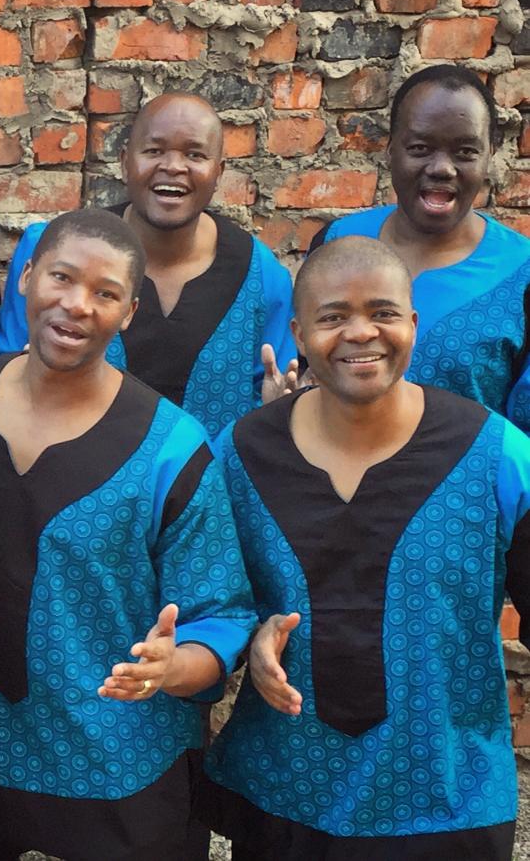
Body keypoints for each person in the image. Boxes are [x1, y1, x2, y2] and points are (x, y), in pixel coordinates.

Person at [0, 209, 256, 860]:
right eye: (61, 278)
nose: (76, 305)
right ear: (26, 278)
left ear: (128, 312)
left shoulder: (171, 449)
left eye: (104, 293)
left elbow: (221, 612)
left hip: (125, 778)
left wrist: (172, 667)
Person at [199, 235, 530, 860]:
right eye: (333, 317)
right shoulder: (241, 454)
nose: (361, 334)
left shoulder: (496, 455)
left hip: (447, 798)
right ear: (298, 333)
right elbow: (208, 599)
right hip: (288, 789)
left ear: (413, 322)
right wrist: (252, 635)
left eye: (382, 312)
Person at [0, 93, 296, 438]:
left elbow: (271, 397)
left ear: (218, 171)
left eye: (194, 155)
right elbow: (7, 365)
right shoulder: (56, 249)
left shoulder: (261, 275)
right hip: (70, 479)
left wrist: (280, 409)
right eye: (153, 151)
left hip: (214, 486)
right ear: (125, 162)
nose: (173, 166)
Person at [310, 64, 530, 431]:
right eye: (420, 148)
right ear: (390, 148)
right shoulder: (337, 243)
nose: (442, 168)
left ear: (490, 153)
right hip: (334, 483)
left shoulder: (520, 273)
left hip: (469, 486)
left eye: (465, 151)